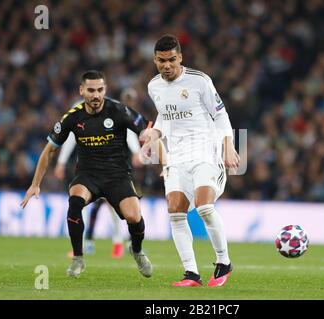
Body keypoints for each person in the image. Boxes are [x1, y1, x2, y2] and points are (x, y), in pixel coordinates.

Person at [21, 70, 153, 278]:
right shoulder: (72, 117)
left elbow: (147, 130)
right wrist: (35, 183)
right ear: (82, 91)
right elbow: (49, 150)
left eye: (100, 90)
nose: (96, 95)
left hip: (117, 175)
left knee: (134, 217)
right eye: (91, 90)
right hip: (87, 175)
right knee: (74, 202)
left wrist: (148, 140)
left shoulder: (119, 111)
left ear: (105, 90)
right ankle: (78, 258)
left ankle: (136, 251)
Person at [142, 34, 240, 287]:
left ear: (180, 57)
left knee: (205, 207)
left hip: (206, 151)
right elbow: (165, 116)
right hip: (176, 156)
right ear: (155, 60)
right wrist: (155, 134)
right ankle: (191, 274)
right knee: (175, 212)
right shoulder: (154, 86)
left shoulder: (199, 81)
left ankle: (224, 262)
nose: (167, 65)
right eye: (162, 61)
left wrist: (228, 146)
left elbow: (221, 115)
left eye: (172, 60)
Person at [54, 88, 143, 259]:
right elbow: (69, 139)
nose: (94, 95)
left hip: (114, 167)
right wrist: (61, 162)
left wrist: (136, 151)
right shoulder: (77, 110)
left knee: (112, 205)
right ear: (82, 90)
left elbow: (128, 130)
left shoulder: (113, 109)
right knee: (81, 204)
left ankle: (116, 242)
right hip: (88, 168)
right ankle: (86, 244)